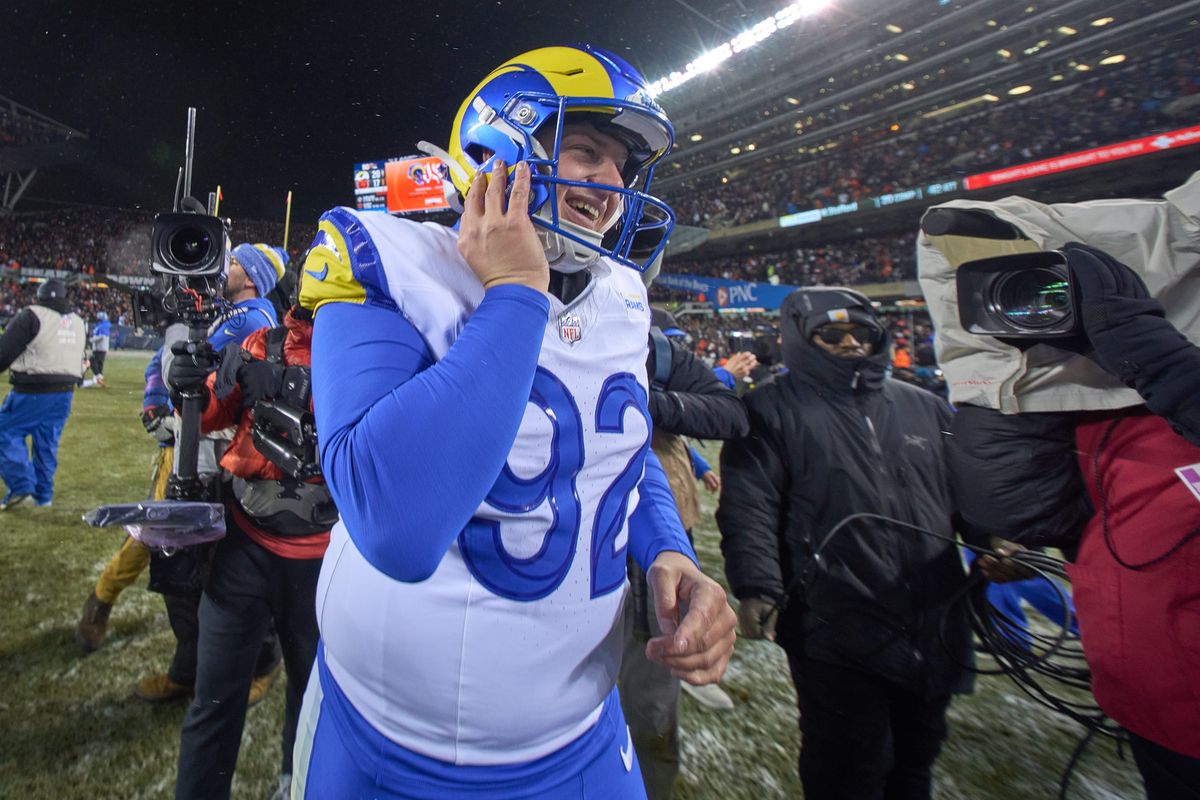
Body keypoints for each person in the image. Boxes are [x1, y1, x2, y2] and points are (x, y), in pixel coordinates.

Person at [291, 44, 736, 800]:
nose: (613, 183)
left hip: (581, 737)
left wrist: (670, 552)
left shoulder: (622, 292)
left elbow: (611, 454)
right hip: (381, 744)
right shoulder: (386, 259)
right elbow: (394, 523)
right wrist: (516, 294)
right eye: (588, 153)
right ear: (500, 147)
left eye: (623, 167)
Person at [951, 243, 1200, 799]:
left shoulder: (1159, 368)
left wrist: (1153, 353)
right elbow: (1028, 511)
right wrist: (1015, 369)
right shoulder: (1113, 402)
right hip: (1149, 706)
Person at [717, 287, 970, 800]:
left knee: (918, 758)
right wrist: (758, 585)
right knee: (847, 766)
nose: (851, 343)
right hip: (833, 619)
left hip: (934, 615)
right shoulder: (769, 408)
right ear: (800, 340)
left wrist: (999, 540)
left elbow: (970, 494)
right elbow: (750, 503)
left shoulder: (926, 408)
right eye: (831, 335)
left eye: (863, 333)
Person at [170, 294, 333, 800]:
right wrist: (190, 387)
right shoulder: (262, 341)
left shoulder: (369, 348)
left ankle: (296, 785)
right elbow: (216, 413)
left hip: (323, 561)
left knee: (313, 707)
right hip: (246, 547)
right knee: (214, 699)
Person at [132, 242, 288, 703]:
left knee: (216, 573)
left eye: (236, 262)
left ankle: (260, 663)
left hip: (219, 463)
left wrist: (179, 338)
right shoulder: (222, 314)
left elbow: (202, 385)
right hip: (195, 453)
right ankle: (190, 668)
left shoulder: (251, 320)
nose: (227, 267)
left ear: (255, 277)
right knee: (180, 570)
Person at [619, 307, 748, 799]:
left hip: (659, 524)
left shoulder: (655, 347)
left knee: (652, 677)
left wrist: (643, 403)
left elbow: (729, 413)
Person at [0, 278, 85, 511]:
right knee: (46, 443)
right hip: (65, 394)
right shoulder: (78, 321)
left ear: (40, 296)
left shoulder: (32, 315)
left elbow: (4, 352)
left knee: (4, 431)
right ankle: (43, 496)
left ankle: (20, 485)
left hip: (33, 390)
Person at [82, 310, 110, 388]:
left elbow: (102, 336)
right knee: (98, 363)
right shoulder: (102, 325)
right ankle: (98, 377)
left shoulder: (103, 326)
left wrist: (91, 339)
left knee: (94, 361)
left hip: (100, 347)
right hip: (99, 347)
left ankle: (98, 375)